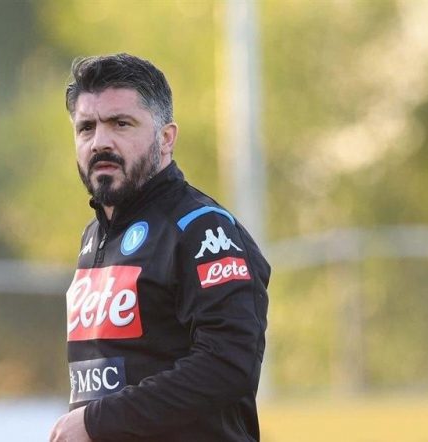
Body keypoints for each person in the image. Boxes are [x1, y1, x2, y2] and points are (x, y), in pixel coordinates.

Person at [49, 53, 270, 442]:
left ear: (166, 138)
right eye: (86, 128)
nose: (100, 142)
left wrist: (97, 421)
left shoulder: (203, 229)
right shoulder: (94, 236)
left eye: (121, 124)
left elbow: (227, 364)